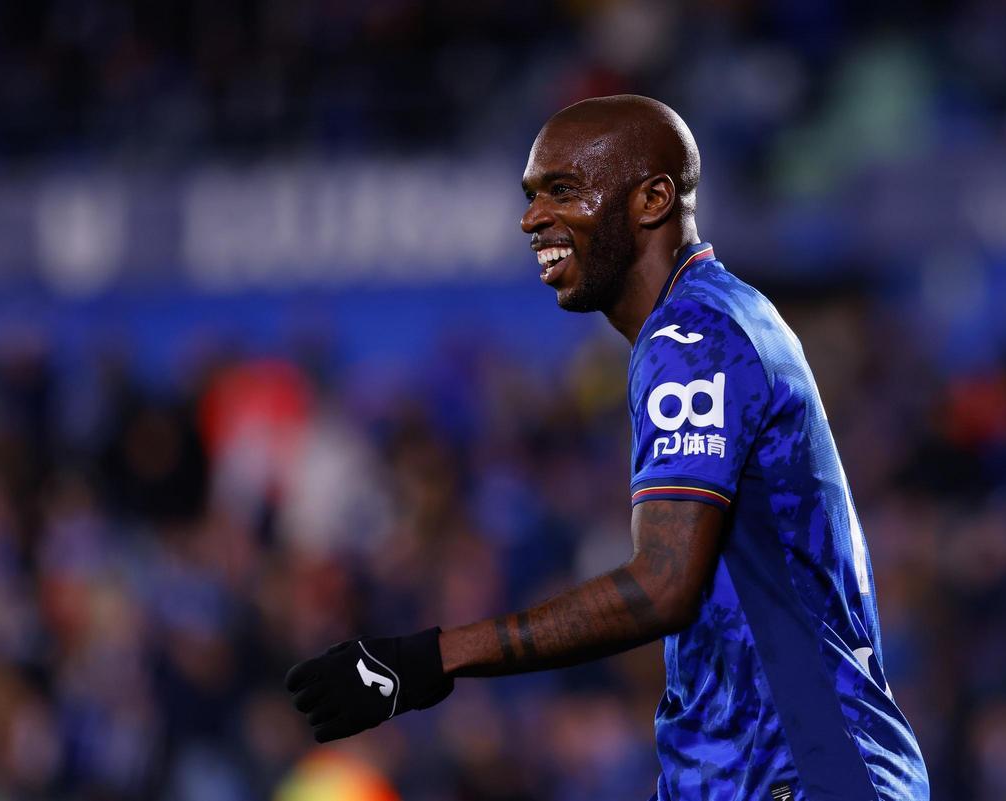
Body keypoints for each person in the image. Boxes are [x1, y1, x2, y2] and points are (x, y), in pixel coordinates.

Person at [285, 95, 930, 801]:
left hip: (799, 772)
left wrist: (429, 658)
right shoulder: (719, 319)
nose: (533, 219)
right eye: (532, 196)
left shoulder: (693, 339)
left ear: (653, 198)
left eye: (563, 190)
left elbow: (662, 585)